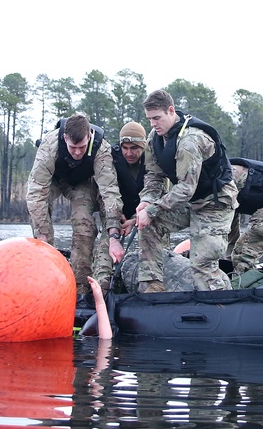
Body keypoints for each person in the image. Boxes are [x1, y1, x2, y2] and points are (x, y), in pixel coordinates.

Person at [133, 89, 238, 293]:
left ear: (171, 110)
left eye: (157, 118)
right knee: (149, 226)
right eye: (149, 119)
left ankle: (221, 303)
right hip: (190, 203)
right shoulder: (155, 138)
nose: (153, 124)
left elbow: (185, 189)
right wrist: (147, 200)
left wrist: (153, 209)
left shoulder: (190, 141)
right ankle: (153, 289)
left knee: (202, 266)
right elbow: (154, 176)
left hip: (215, 204)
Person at [26, 112, 124, 297]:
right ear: (65, 138)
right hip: (54, 179)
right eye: (72, 147)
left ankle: (80, 285)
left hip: (82, 183)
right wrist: (42, 233)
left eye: (81, 147)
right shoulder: (50, 145)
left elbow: (109, 191)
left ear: (89, 136)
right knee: (39, 216)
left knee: (83, 224)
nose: (78, 152)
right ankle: (46, 274)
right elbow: (36, 190)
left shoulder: (100, 149)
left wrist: (113, 233)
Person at [97, 120, 149, 272]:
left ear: (143, 146)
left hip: (144, 212)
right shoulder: (111, 158)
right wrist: (115, 223)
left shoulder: (153, 159)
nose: (129, 153)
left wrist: (135, 218)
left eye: (134, 148)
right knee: (106, 250)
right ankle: (102, 283)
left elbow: (158, 195)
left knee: (151, 241)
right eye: (124, 148)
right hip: (115, 210)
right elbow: (108, 193)